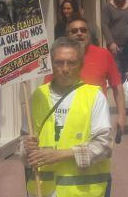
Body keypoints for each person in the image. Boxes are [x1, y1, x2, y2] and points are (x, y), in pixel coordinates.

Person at [23, 38, 112, 197]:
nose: (65, 69)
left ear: (81, 65)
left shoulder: (94, 97)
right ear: (51, 65)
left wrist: (59, 155)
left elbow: (103, 146)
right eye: (59, 62)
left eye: (71, 63)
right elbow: (22, 144)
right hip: (42, 191)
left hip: (82, 193)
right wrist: (26, 147)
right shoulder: (38, 96)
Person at [55, 17, 126, 136]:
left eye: (83, 30)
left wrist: (122, 115)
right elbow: (48, 90)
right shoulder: (59, 59)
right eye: (74, 31)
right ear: (67, 36)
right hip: (67, 122)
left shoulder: (103, 55)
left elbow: (117, 86)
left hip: (98, 121)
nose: (79, 33)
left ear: (89, 34)